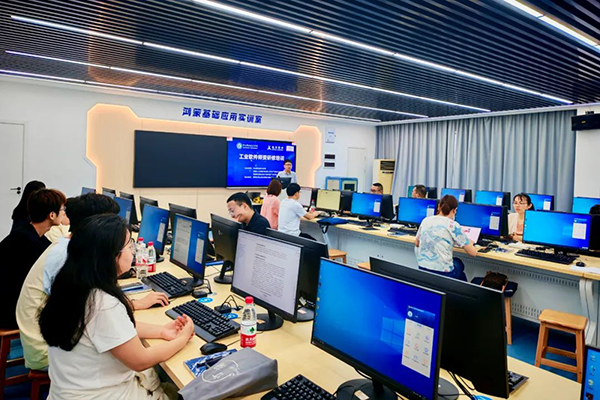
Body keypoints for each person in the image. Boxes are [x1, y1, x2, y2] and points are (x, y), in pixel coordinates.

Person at [39, 214, 193, 399]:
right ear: (110, 256)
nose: (133, 251)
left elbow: (113, 329)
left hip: (70, 392)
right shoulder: (102, 303)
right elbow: (140, 360)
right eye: (129, 246)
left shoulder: (73, 285)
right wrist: (182, 339)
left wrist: (161, 331)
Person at [17, 194, 170, 372]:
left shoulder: (73, 249)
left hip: (54, 338)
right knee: (148, 368)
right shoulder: (66, 257)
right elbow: (92, 310)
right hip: (46, 348)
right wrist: (133, 306)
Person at [0, 188, 66, 329]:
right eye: (62, 210)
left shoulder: (28, 233)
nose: (64, 213)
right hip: (10, 312)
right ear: (52, 215)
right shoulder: (28, 243)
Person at [415, 195, 477, 281]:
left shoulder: (426, 220)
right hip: (443, 273)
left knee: (458, 265)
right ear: (455, 210)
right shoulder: (453, 225)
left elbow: (417, 243)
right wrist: (470, 243)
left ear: (438, 207)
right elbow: (473, 253)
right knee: (459, 264)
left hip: (422, 269)